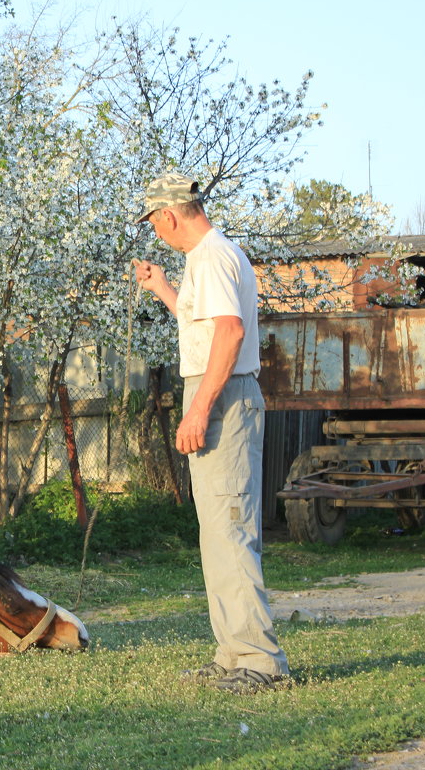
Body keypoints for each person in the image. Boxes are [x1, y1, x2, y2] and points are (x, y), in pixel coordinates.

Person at [132, 172, 290, 694]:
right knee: (217, 534)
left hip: (224, 401)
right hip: (218, 394)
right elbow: (202, 322)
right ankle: (232, 654)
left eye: (154, 221)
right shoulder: (206, 259)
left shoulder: (214, 256)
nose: (156, 232)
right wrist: (161, 288)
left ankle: (260, 662)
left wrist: (198, 410)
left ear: (169, 216)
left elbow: (230, 333)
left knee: (232, 530)